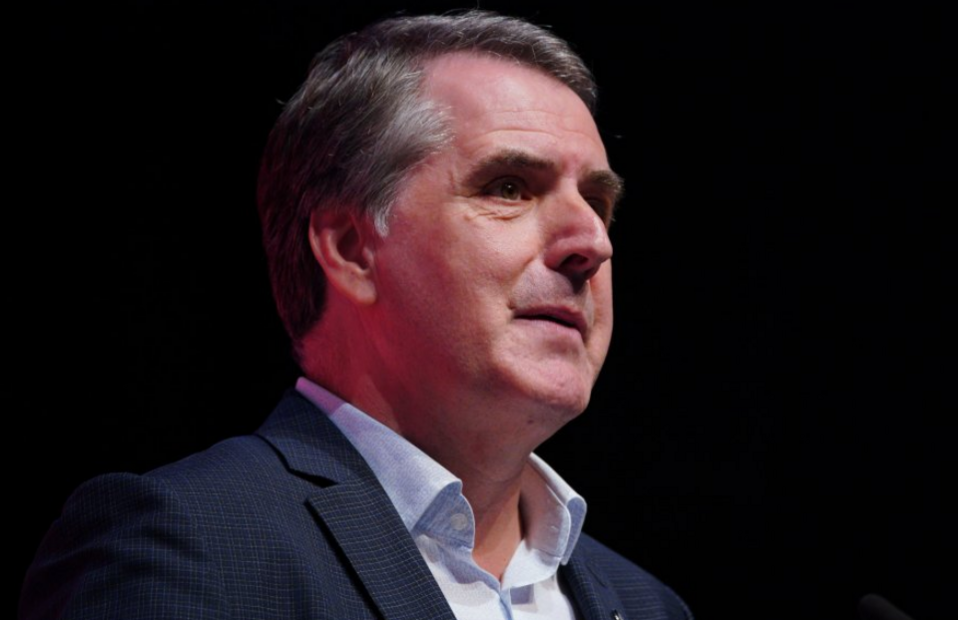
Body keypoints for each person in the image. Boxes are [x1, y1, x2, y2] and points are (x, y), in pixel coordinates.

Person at [20, 11, 692, 620]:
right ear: (350, 250)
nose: (593, 244)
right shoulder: (189, 544)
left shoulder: (647, 605)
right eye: (509, 188)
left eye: (599, 205)